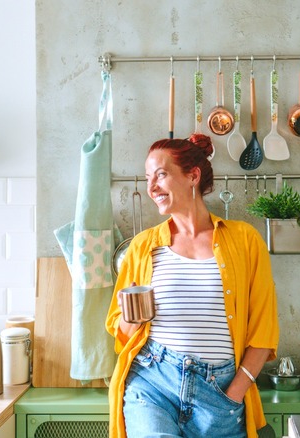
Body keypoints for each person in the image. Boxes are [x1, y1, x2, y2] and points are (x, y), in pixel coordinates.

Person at [105, 134, 279, 438]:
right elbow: (119, 332)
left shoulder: (245, 240)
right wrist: (131, 317)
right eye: (148, 178)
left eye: (161, 174)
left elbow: (264, 332)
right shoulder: (143, 247)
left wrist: (235, 393)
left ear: (192, 176)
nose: (151, 188)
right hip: (154, 381)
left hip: (220, 392)